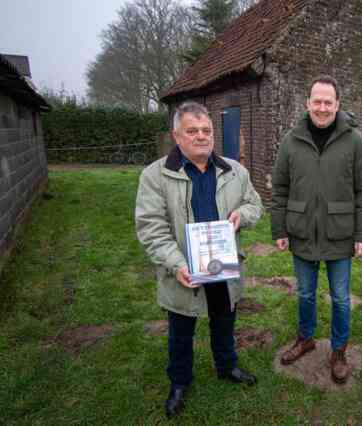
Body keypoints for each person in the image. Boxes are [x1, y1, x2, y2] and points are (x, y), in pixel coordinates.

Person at [135, 101, 263, 418]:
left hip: (221, 261)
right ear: (177, 136)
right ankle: (179, 382)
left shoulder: (235, 171)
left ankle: (227, 365)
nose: (201, 136)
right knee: (181, 328)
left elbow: (254, 205)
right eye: (192, 131)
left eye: (206, 130)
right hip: (183, 267)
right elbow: (152, 228)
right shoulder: (155, 176)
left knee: (224, 319)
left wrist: (240, 216)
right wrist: (177, 264)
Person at [271, 75, 362, 384]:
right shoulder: (291, 140)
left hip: (339, 233)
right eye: (316, 101)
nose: (322, 107)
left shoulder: (355, 140)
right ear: (307, 104)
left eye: (327, 102)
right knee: (304, 292)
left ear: (337, 105)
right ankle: (305, 339)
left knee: (341, 298)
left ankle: (339, 351)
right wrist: (280, 228)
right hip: (301, 231)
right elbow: (279, 188)